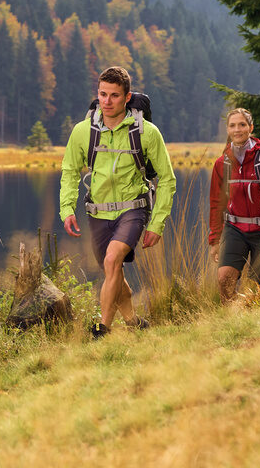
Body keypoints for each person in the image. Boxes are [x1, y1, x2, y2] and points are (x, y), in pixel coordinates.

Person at [60, 66, 176, 338]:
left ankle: (103, 329)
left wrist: (157, 223)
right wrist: (67, 209)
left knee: (112, 260)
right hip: (97, 213)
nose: (107, 101)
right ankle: (134, 322)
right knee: (114, 271)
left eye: (114, 95)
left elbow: (168, 180)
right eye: (102, 94)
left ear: (127, 97)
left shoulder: (147, 132)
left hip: (133, 210)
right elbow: (69, 172)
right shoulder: (82, 131)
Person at [208, 108, 260, 302]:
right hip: (235, 229)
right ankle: (237, 320)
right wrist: (214, 240)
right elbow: (217, 205)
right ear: (227, 129)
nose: (237, 130)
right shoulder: (222, 163)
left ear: (250, 127)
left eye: (242, 125)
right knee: (224, 279)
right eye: (232, 125)